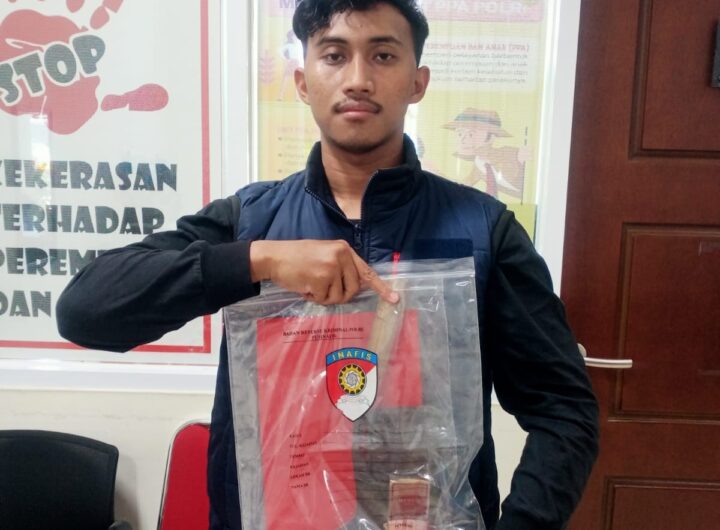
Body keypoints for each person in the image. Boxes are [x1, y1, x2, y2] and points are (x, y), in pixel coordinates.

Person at [56, 1, 599, 529]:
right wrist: (259, 259)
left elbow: (565, 411)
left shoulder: (482, 231)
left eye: (383, 55)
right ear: (302, 81)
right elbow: (85, 310)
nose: (358, 79)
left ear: (418, 82)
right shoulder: (252, 221)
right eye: (335, 55)